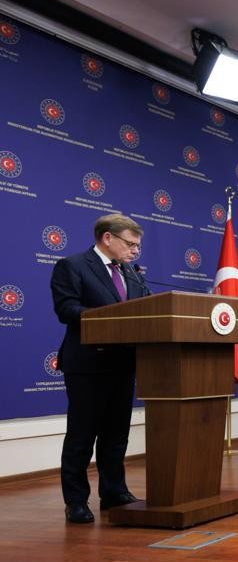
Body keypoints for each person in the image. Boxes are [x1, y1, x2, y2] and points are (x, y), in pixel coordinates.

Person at [50, 213, 150, 524]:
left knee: (116, 435)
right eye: (130, 244)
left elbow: (147, 306)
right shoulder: (73, 266)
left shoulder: (131, 273)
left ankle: (114, 491)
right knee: (82, 436)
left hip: (123, 363)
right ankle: (76, 501)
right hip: (88, 365)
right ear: (107, 238)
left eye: (137, 246)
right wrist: (111, 318)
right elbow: (66, 309)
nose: (135, 251)